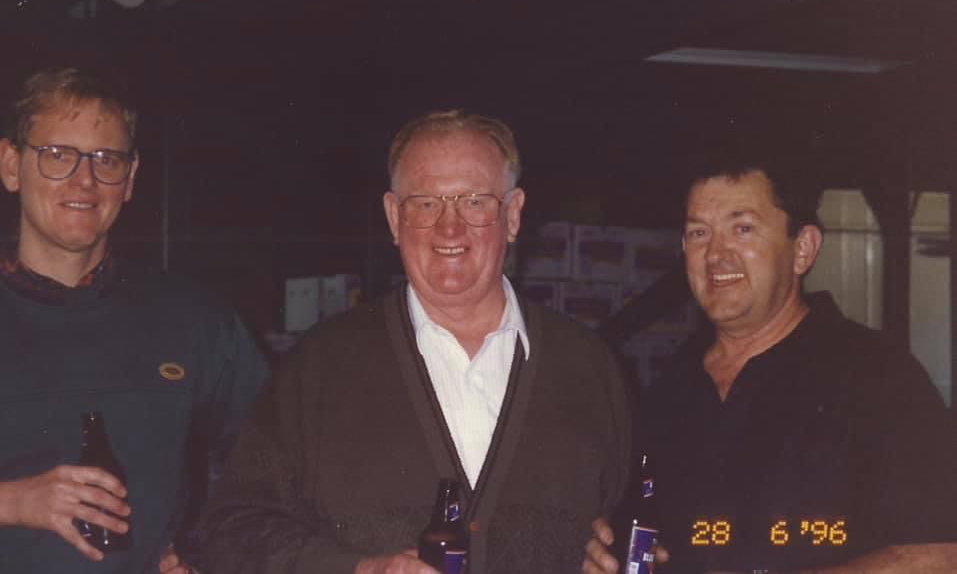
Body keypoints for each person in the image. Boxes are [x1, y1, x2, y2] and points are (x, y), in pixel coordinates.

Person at [189, 110, 632, 573]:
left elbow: (635, 520)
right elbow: (230, 532)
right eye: (425, 203)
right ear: (393, 217)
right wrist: (356, 570)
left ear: (513, 214)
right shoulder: (319, 368)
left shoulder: (589, 367)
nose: (449, 228)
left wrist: (621, 553)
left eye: (474, 201)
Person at [583, 145, 957, 573]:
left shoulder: (879, 379)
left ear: (803, 249)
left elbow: (946, 554)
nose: (716, 255)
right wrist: (607, 546)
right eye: (698, 233)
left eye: (742, 229)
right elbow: (646, 527)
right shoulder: (668, 390)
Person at [0, 67, 268, 573]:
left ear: (131, 180)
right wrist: (15, 501)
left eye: (107, 159)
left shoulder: (192, 321)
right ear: (12, 166)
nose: (85, 180)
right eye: (58, 155)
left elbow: (275, 467)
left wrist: (204, 549)